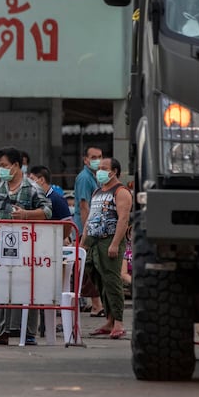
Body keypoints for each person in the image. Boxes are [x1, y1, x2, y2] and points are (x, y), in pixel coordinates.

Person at [0, 147, 52, 346]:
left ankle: (28, 333)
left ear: (16, 165)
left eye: (4, 166)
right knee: (0, 287)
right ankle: (1, 331)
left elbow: (48, 211)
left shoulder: (32, 187)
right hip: (2, 246)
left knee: (27, 287)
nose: (1, 170)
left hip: (28, 247)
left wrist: (26, 215)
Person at [83, 157, 133, 340]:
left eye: (104, 168)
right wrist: (83, 242)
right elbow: (90, 218)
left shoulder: (121, 192)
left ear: (114, 171)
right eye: (98, 168)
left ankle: (118, 322)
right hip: (93, 240)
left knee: (112, 280)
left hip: (109, 239)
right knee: (96, 277)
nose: (99, 171)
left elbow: (123, 219)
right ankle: (109, 319)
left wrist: (114, 244)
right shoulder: (97, 191)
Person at [74, 145, 105, 317]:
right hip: (86, 227)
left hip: (93, 227)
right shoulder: (85, 178)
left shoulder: (95, 177)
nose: (97, 160)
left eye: (99, 156)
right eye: (93, 157)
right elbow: (84, 206)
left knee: (90, 266)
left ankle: (96, 304)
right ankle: (96, 304)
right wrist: (87, 232)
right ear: (85, 160)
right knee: (89, 266)